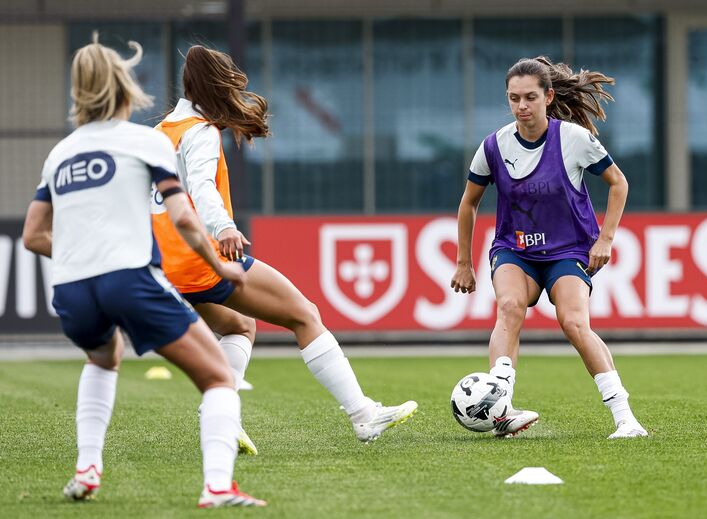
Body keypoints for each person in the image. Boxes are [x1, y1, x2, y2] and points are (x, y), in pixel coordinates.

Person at [22, 35, 266, 508]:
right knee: (218, 376)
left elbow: (33, 235)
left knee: (102, 357)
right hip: (128, 279)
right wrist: (222, 267)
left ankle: (87, 467)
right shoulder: (145, 141)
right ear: (124, 86)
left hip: (72, 288)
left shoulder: (62, 153)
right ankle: (218, 486)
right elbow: (182, 217)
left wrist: (83, 255)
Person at [151, 45, 417, 444]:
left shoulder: (158, 135)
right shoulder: (201, 133)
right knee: (304, 315)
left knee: (240, 326)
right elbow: (203, 189)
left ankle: (219, 416)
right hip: (202, 259)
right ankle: (364, 415)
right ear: (214, 87)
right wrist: (224, 227)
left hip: (164, 266)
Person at [450, 57, 647, 439]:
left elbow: (618, 183)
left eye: (529, 97)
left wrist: (605, 239)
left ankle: (625, 418)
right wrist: (463, 262)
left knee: (573, 323)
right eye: (513, 98)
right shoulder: (493, 146)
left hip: (568, 251)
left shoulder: (573, 139)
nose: (521, 106)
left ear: (548, 96)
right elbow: (468, 203)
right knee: (508, 308)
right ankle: (501, 408)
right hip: (515, 250)